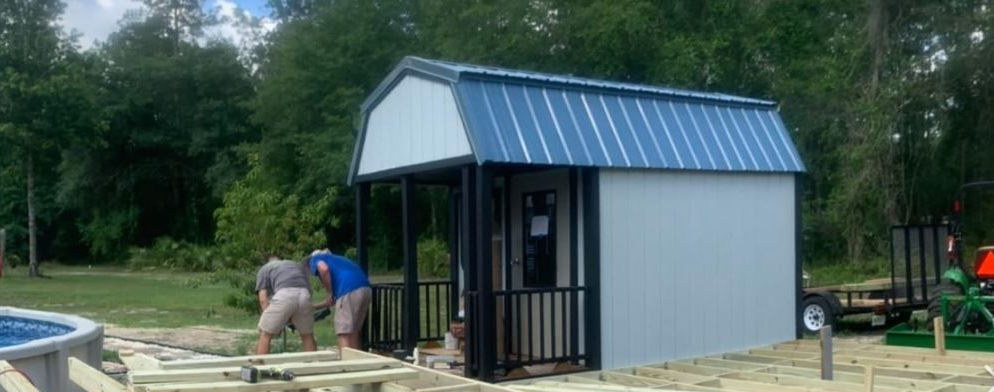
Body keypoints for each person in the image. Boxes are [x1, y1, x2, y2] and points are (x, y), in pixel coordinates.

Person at [305, 250, 371, 349]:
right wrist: (315, 306)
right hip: (365, 288)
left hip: (348, 289)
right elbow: (332, 301)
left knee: (343, 332)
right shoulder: (338, 260)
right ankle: (356, 361)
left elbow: (324, 269)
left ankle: (345, 363)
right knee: (354, 331)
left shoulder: (316, 258)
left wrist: (329, 293)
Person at [255, 255, 317, 354]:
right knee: (307, 335)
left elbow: (263, 299)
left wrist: (270, 322)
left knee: (265, 333)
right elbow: (306, 289)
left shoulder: (264, 269)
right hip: (305, 294)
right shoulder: (294, 265)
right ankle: (314, 365)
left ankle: (260, 366)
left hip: (285, 293)